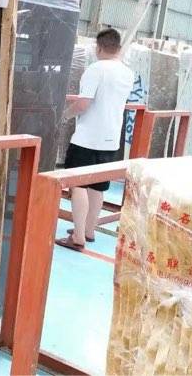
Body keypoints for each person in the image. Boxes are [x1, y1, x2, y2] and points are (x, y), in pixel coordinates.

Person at [55, 28, 135, 251]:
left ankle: (78, 236)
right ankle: (89, 231)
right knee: (97, 187)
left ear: (99, 48)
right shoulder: (128, 73)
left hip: (87, 138)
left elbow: (83, 103)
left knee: (77, 185)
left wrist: (63, 117)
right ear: (118, 48)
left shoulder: (96, 69)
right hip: (111, 139)